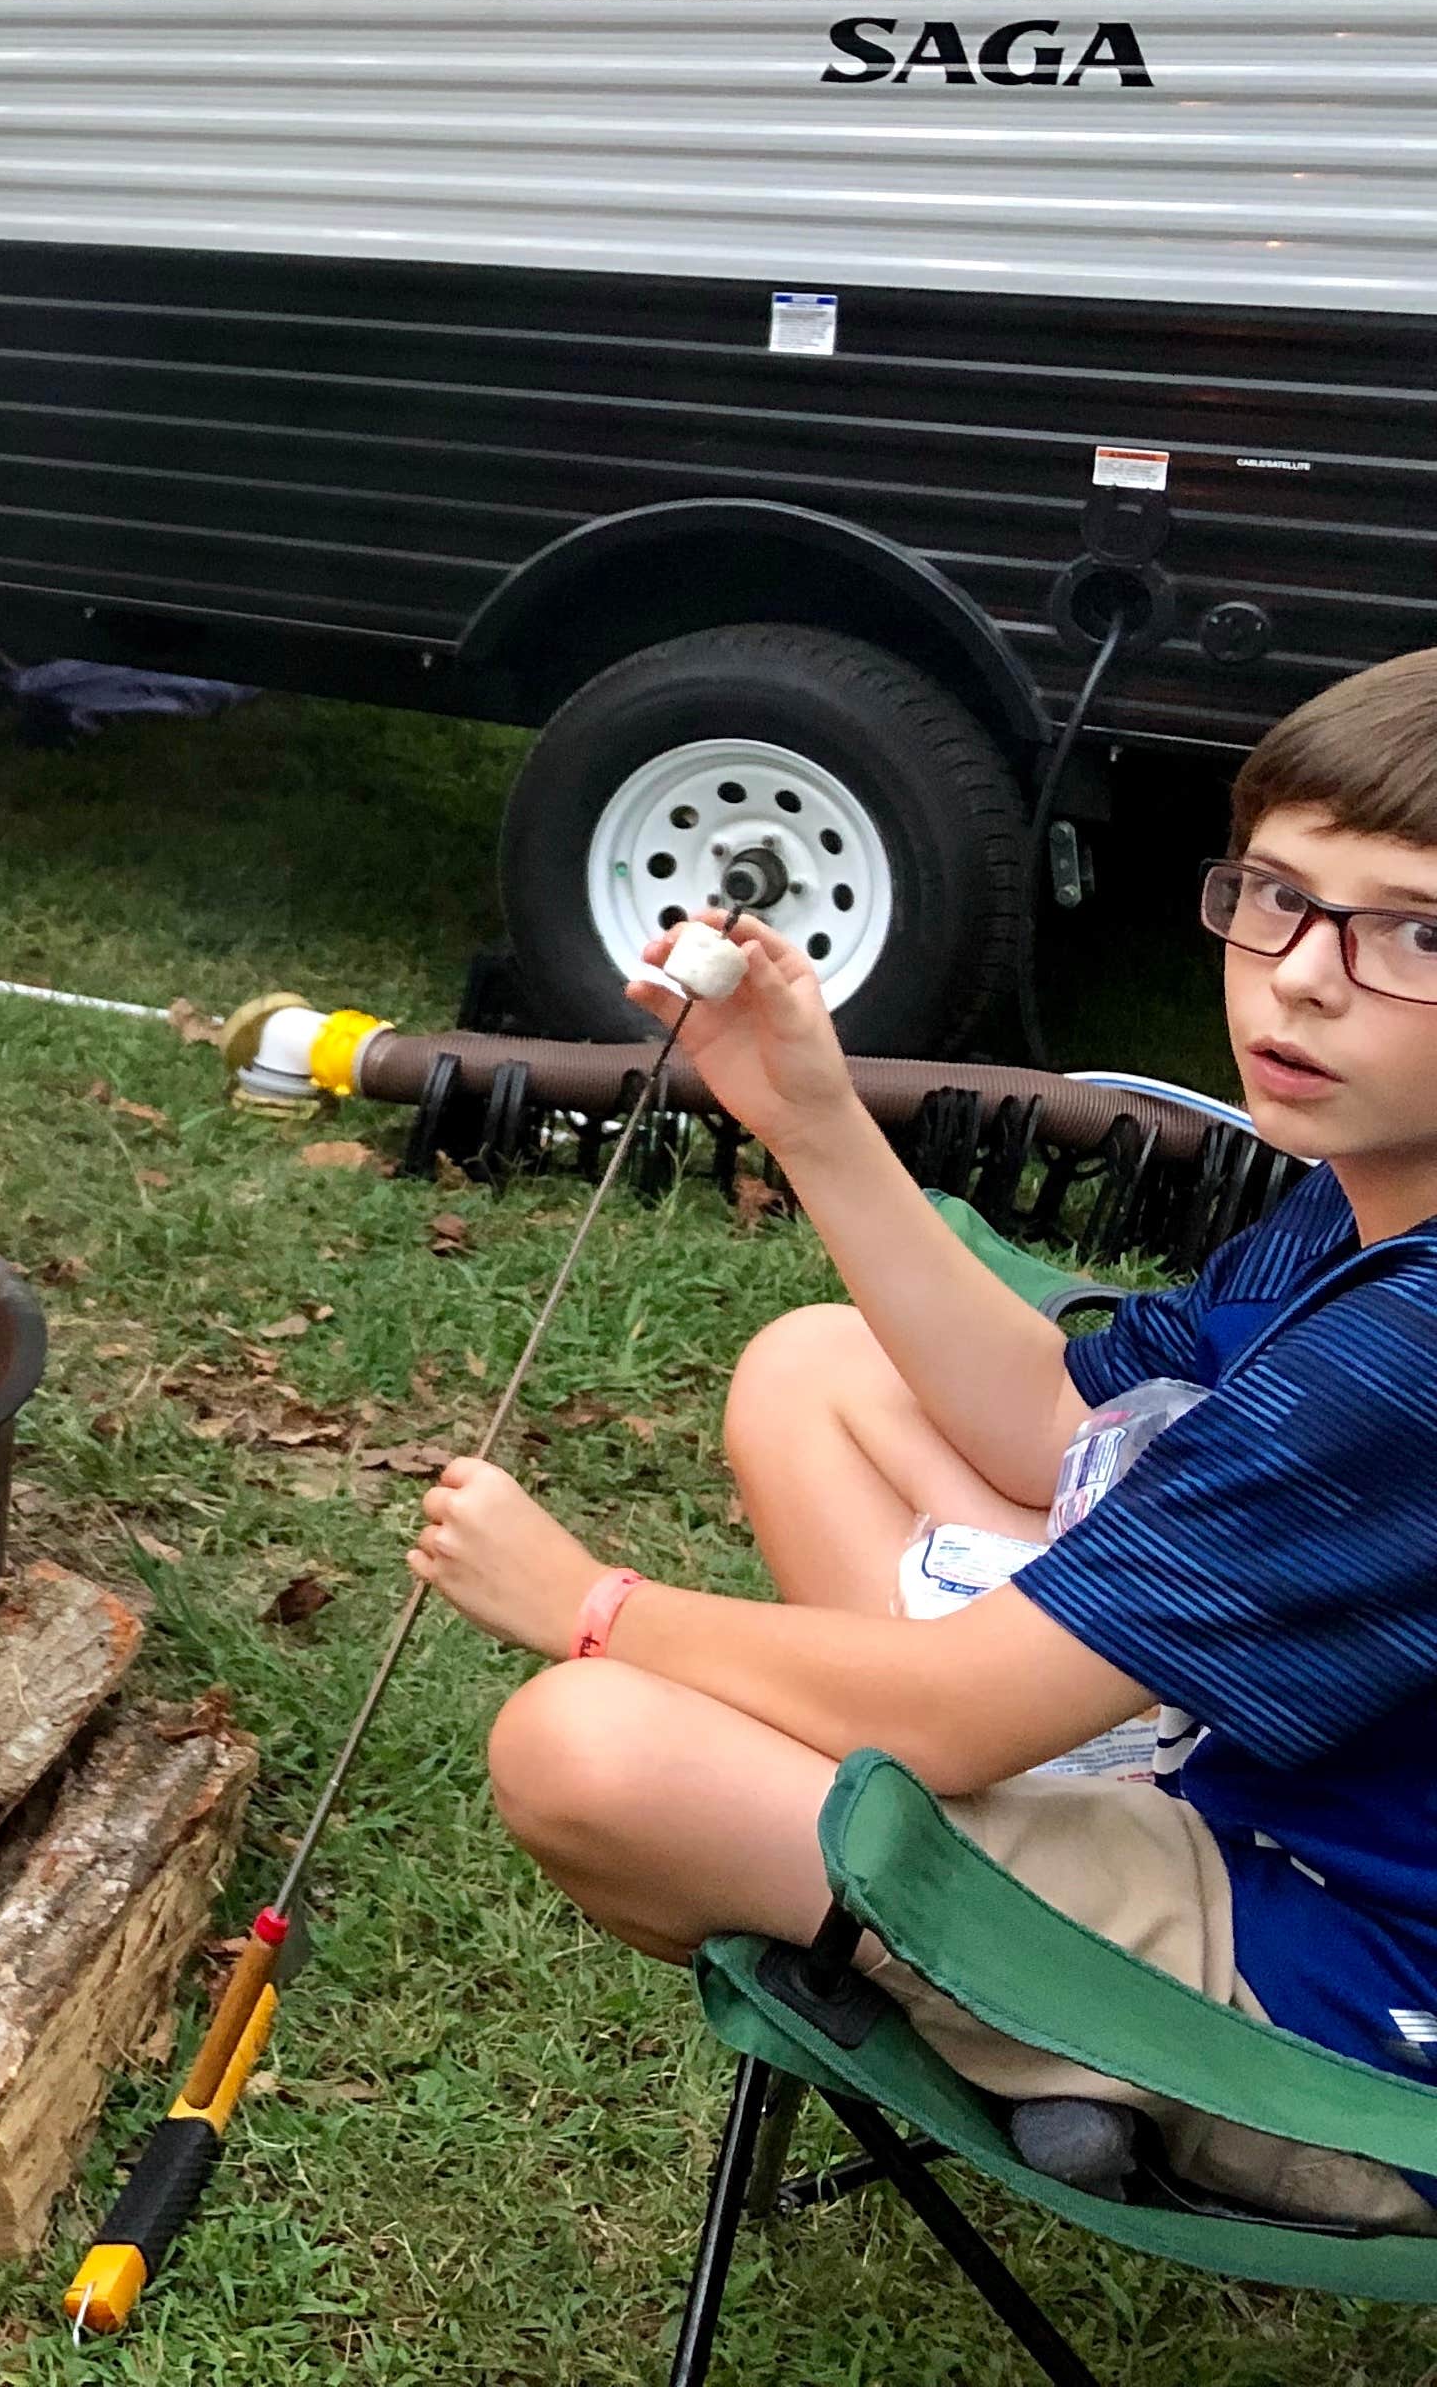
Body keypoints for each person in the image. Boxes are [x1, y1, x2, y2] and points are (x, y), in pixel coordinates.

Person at [410, 649, 1437, 2225]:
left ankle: (1165, 2078)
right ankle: (1016, 1962)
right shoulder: (1365, 1202)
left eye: (1412, 934)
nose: (1301, 974)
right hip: (1268, 1788)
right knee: (821, 1372)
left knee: (586, 1745)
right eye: (1280, 896)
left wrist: (591, 1609)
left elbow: (965, 1715)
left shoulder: (1411, 1353)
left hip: (1354, 1989)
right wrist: (810, 1115)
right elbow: (1059, 1425)